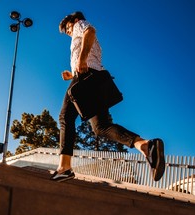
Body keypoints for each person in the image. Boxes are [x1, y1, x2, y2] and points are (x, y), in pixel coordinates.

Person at [50, 11, 165, 182]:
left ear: (74, 20)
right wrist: (72, 73)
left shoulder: (80, 24)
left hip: (86, 78)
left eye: (67, 28)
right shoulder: (80, 37)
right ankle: (146, 146)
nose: (68, 32)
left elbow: (90, 31)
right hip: (95, 79)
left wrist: (81, 60)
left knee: (65, 116)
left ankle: (64, 167)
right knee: (101, 127)